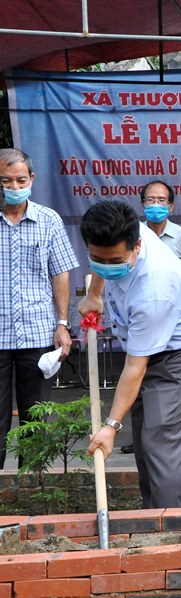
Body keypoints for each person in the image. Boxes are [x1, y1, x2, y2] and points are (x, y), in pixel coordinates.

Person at [82, 199, 181, 508]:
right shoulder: (120, 230)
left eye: (114, 260)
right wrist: (94, 294)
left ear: (137, 246)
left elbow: (134, 368)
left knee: (159, 442)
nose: (105, 266)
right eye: (97, 258)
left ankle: (171, 532)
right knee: (142, 442)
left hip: (179, 355)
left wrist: (110, 427)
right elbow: (103, 259)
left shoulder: (155, 286)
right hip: (142, 347)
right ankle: (151, 518)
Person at [0, 148, 79, 468]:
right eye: (6, 181)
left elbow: (61, 273)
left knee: (36, 417)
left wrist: (63, 323)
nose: (14, 187)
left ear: (32, 179)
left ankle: (31, 485)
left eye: (21, 180)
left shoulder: (48, 220)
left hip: (37, 332)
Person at [140, 180, 181, 280]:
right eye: (150, 199)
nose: (156, 204)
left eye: (161, 200)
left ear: (170, 207)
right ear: (143, 204)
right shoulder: (133, 236)